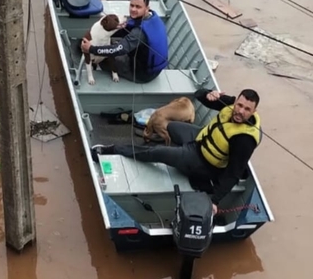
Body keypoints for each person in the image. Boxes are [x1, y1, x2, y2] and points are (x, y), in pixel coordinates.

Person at [93, 88, 262, 214]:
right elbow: (198, 94)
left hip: (203, 161)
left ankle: (113, 149)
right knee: (172, 127)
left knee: (157, 152)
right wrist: (210, 94)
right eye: (239, 105)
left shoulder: (244, 140)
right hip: (199, 140)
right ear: (236, 101)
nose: (240, 111)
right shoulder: (231, 104)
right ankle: (180, 154)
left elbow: (233, 173)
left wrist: (215, 201)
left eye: (247, 109)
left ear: (254, 111)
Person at [81, 0, 168, 83]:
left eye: (138, 7)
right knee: (114, 43)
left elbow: (118, 49)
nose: (133, 9)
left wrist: (91, 49)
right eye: (132, 5)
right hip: (153, 68)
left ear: (147, 8)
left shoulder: (139, 33)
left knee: (104, 61)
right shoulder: (153, 17)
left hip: (142, 74)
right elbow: (127, 29)